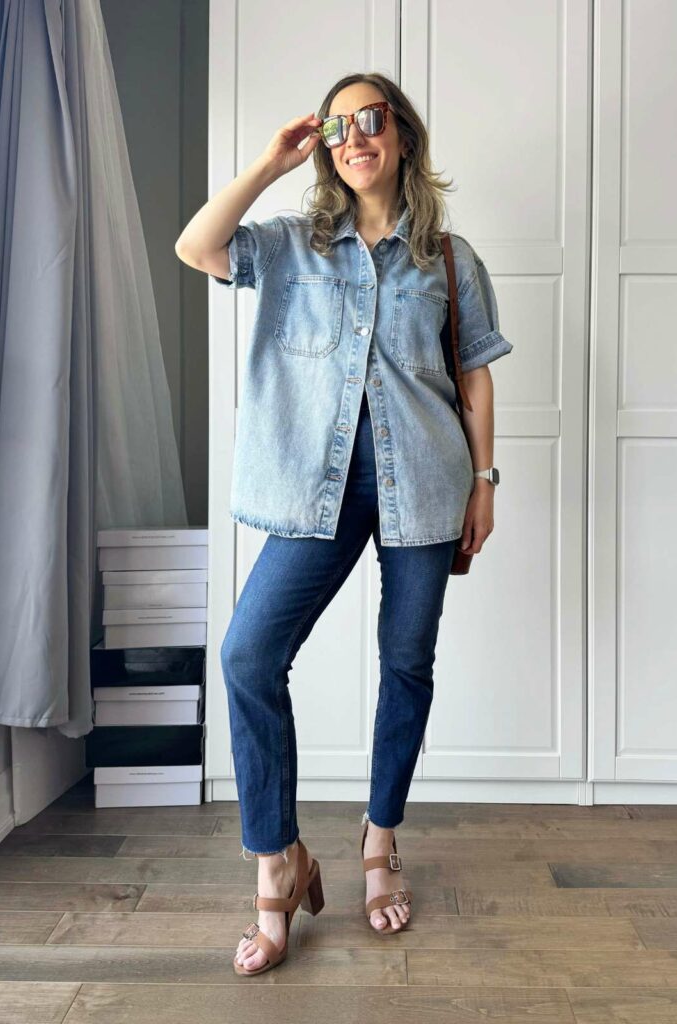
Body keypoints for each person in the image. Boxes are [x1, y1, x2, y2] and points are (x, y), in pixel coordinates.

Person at [175, 71, 513, 977]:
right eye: (338, 125)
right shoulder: (292, 244)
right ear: (325, 144)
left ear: (402, 135)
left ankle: (379, 839)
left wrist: (484, 483)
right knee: (249, 655)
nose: (356, 135)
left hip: (427, 489)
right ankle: (278, 860)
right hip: (312, 490)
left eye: (373, 120)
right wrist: (270, 161)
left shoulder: (450, 257)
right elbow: (197, 247)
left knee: (406, 661)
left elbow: (474, 373)